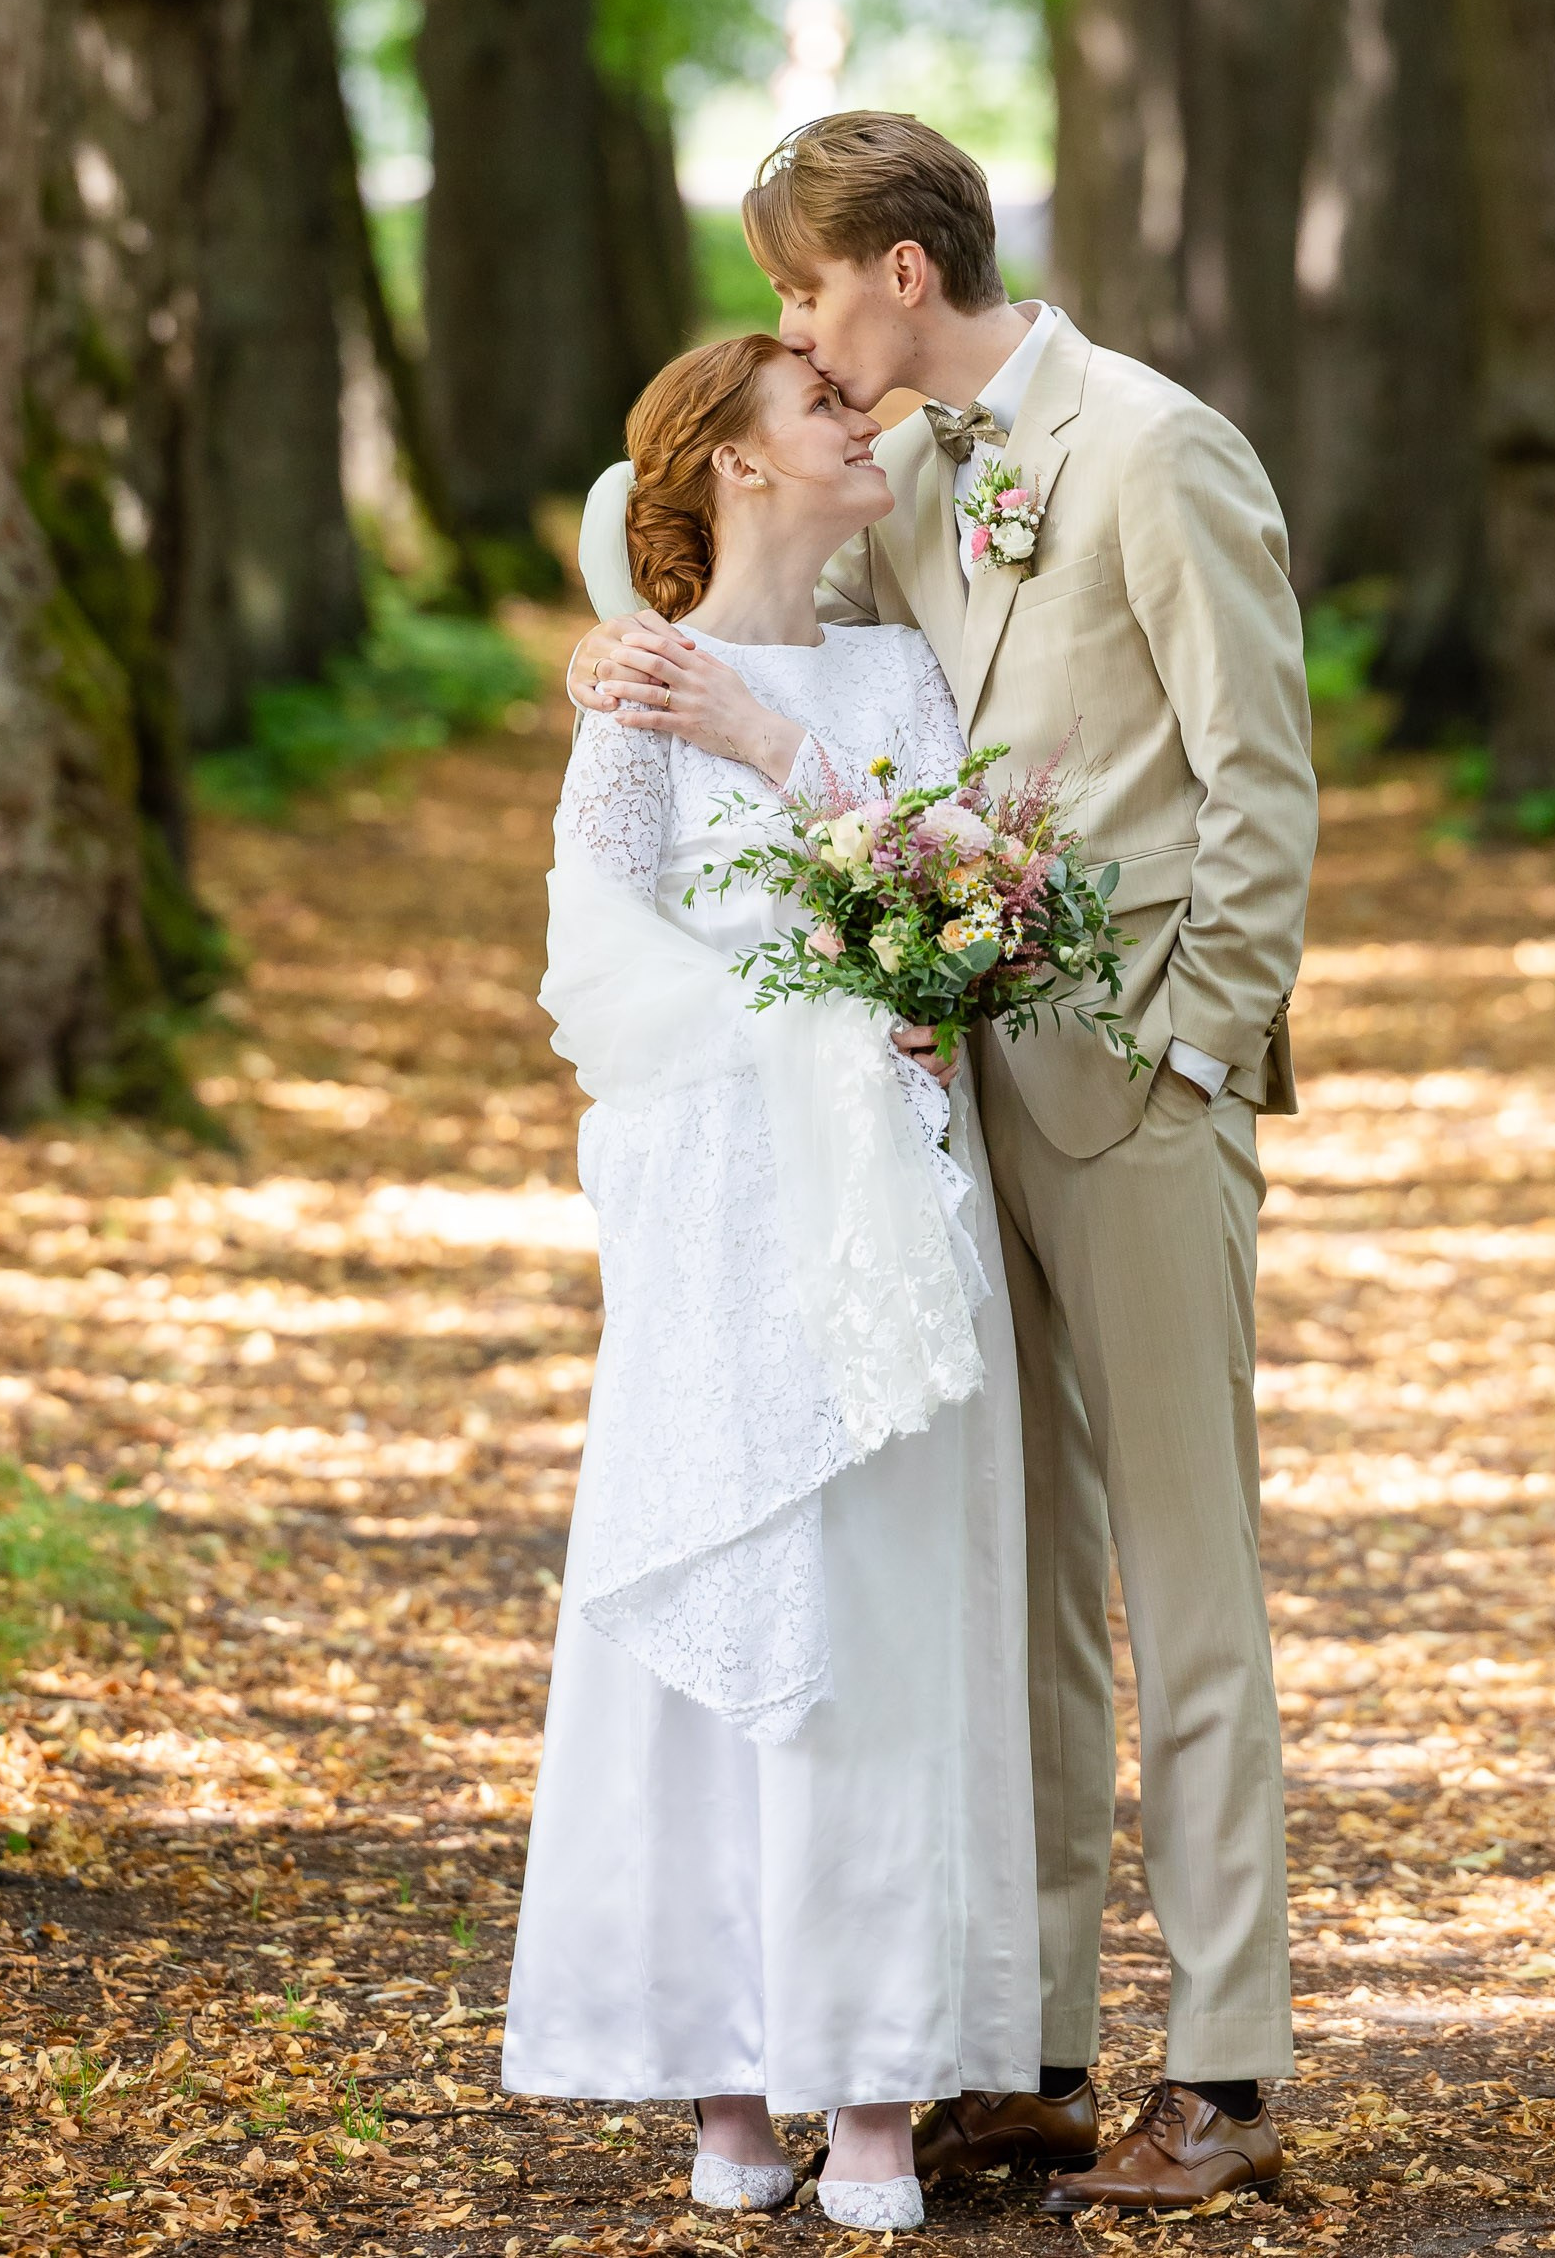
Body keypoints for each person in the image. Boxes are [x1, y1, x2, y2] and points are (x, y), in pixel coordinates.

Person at [571, 114, 1317, 2214]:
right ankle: (1035, 2047)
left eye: (805, 292)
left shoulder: (1158, 451)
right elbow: (776, 628)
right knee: (1014, 1600)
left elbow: (1262, 786)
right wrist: (611, 668)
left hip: (1143, 1103)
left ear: (901, 271)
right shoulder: (896, 480)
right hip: (943, 1113)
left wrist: (1192, 1047)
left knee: (1188, 1593)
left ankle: (1233, 2076)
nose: (791, 331)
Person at [504, 331, 1039, 2235]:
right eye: (823, 404)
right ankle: (729, 2071)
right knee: (736, 1579)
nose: (863, 418)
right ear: (731, 462)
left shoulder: (906, 660)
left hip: (891, 1177)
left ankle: (874, 2083)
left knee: (887, 1609)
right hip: (719, 1181)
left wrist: (781, 757)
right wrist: (781, 1037)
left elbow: (960, 877)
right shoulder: (639, 683)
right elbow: (595, 947)